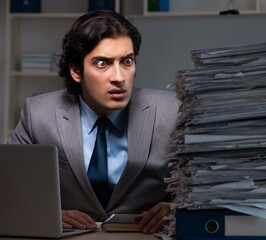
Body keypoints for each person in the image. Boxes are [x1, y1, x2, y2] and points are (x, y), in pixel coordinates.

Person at [8, 11, 180, 234]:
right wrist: (47, 215)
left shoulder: (172, 110)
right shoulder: (38, 113)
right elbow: (10, 192)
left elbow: (209, 186)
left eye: (127, 61)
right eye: (102, 63)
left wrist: (179, 208)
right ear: (76, 71)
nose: (119, 77)